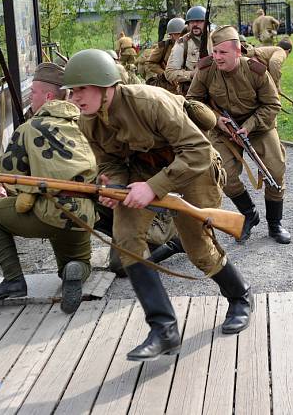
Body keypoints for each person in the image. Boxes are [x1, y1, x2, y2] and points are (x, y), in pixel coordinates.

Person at [63, 48, 253, 361]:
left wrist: (153, 188)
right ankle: (164, 329)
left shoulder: (149, 102)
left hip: (192, 168)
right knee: (126, 241)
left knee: (197, 245)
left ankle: (240, 296)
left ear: (105, 84)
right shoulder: (89, 122)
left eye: (81, 88)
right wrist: (113, 186)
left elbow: (198, 151)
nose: (76, 97)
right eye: (72, 90)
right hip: (144, 170)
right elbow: (110, 162)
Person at [0, 62, 97, 313]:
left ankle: (13, 281)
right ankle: (73, 271)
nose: (30, 98)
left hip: (48, 212)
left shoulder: (29, 129)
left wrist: (28, 194)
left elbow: (7, 175)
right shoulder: (85, 124)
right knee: (78, 263)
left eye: (33, 93)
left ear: (48, 96)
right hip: (84, 212)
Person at [187, 26, 291, 244]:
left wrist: (250, 126)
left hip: (258, 127)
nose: (217, 57)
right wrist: (216, 120)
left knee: (275, 169)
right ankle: (249, 215)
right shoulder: (206, 70)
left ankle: (275, 224)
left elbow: (272, 104)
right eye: (215, 52)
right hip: (223, 128)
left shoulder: (256, 71)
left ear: (238, 51)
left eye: (223, 53)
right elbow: (193, 101)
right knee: (222, 173)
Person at [165, 5, 209, 95]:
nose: (195, 24)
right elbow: (170, 73)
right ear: (188, 25)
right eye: (192, 22)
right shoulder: (182, 44)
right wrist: (192, 74)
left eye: (199, 21)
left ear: (206, 23)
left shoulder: (216, 40)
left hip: (216, 90)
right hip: (193, 92)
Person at [141, 16, 186, 94]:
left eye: (182, 34)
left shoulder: (190, 45)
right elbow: (150, 63)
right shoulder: (164, 46)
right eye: (177, 34)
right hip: (168, 86)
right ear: (171, 35)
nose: (180, 37)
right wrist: (164, 74)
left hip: (185, 84)